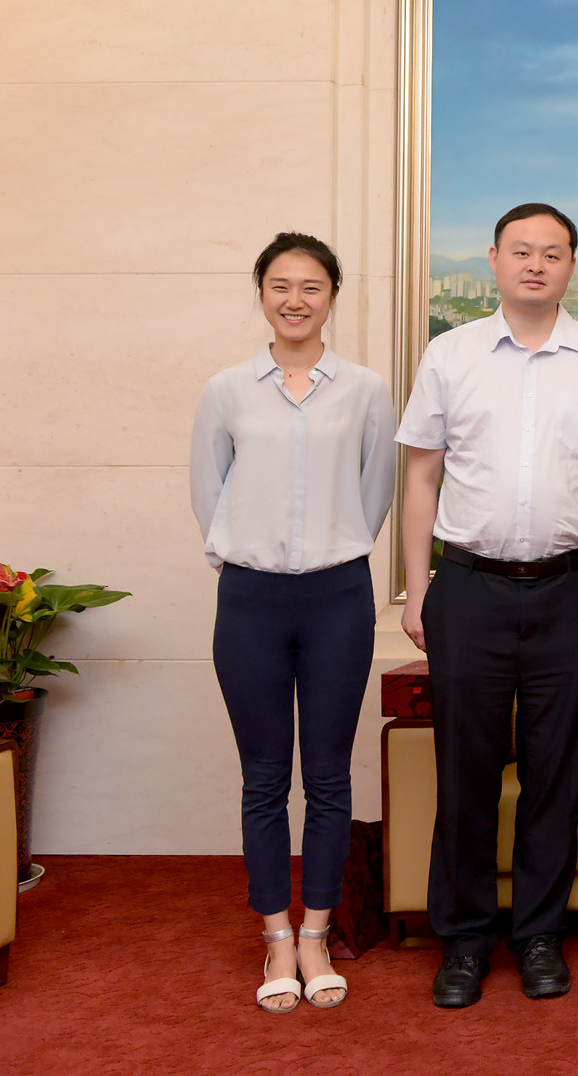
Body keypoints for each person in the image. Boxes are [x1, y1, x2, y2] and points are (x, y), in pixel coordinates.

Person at [396, 203, 578, 1009]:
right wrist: (418, 591)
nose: (536, 264)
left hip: (572, 591)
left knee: (554, 775)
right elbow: (421, 476)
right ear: (494, 259)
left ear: (571, 266)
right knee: (464, 773)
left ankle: (539, 934)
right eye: (522, 251)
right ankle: (464, 942)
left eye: (553, 253)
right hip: (469, 590)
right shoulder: (450, 353)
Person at [191, 232, 395, 1013]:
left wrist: (334, 548)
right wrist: (249, 556)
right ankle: (275, 932)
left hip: (338, 596)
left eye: (311, 286)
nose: (295, 299)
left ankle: (316, 931)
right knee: (265, 777)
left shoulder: (365, 390)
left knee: (330, 776)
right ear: (262, 294)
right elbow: (209, 491)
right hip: (251, 600)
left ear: (332, 297)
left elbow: (375, 491)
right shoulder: (227, 390)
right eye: (281, 285)